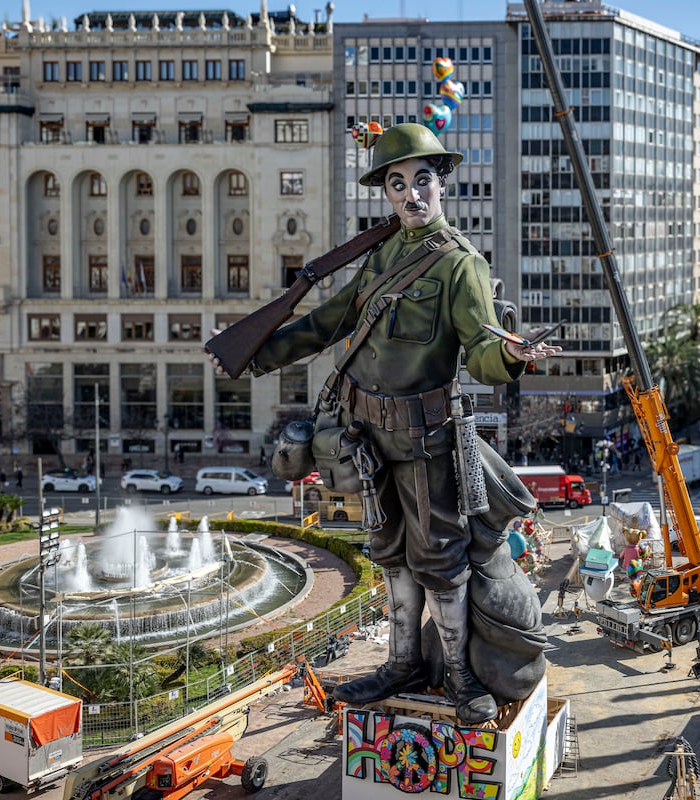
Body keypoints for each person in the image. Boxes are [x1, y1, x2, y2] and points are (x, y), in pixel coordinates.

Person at [206, 123, 559, 724]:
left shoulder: (461, 266)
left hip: (426, 442)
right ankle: (401, 663)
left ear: (441, 183)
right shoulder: (384, 254)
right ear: (387, 192)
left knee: (440, 563)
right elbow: (329, 321)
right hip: (367, 437)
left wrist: (510, 354)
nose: (411, 194)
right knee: (391, 555)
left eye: (422, 180)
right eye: (397, 184)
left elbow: (480, 350)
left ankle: (462, 677)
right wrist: (253, 355)